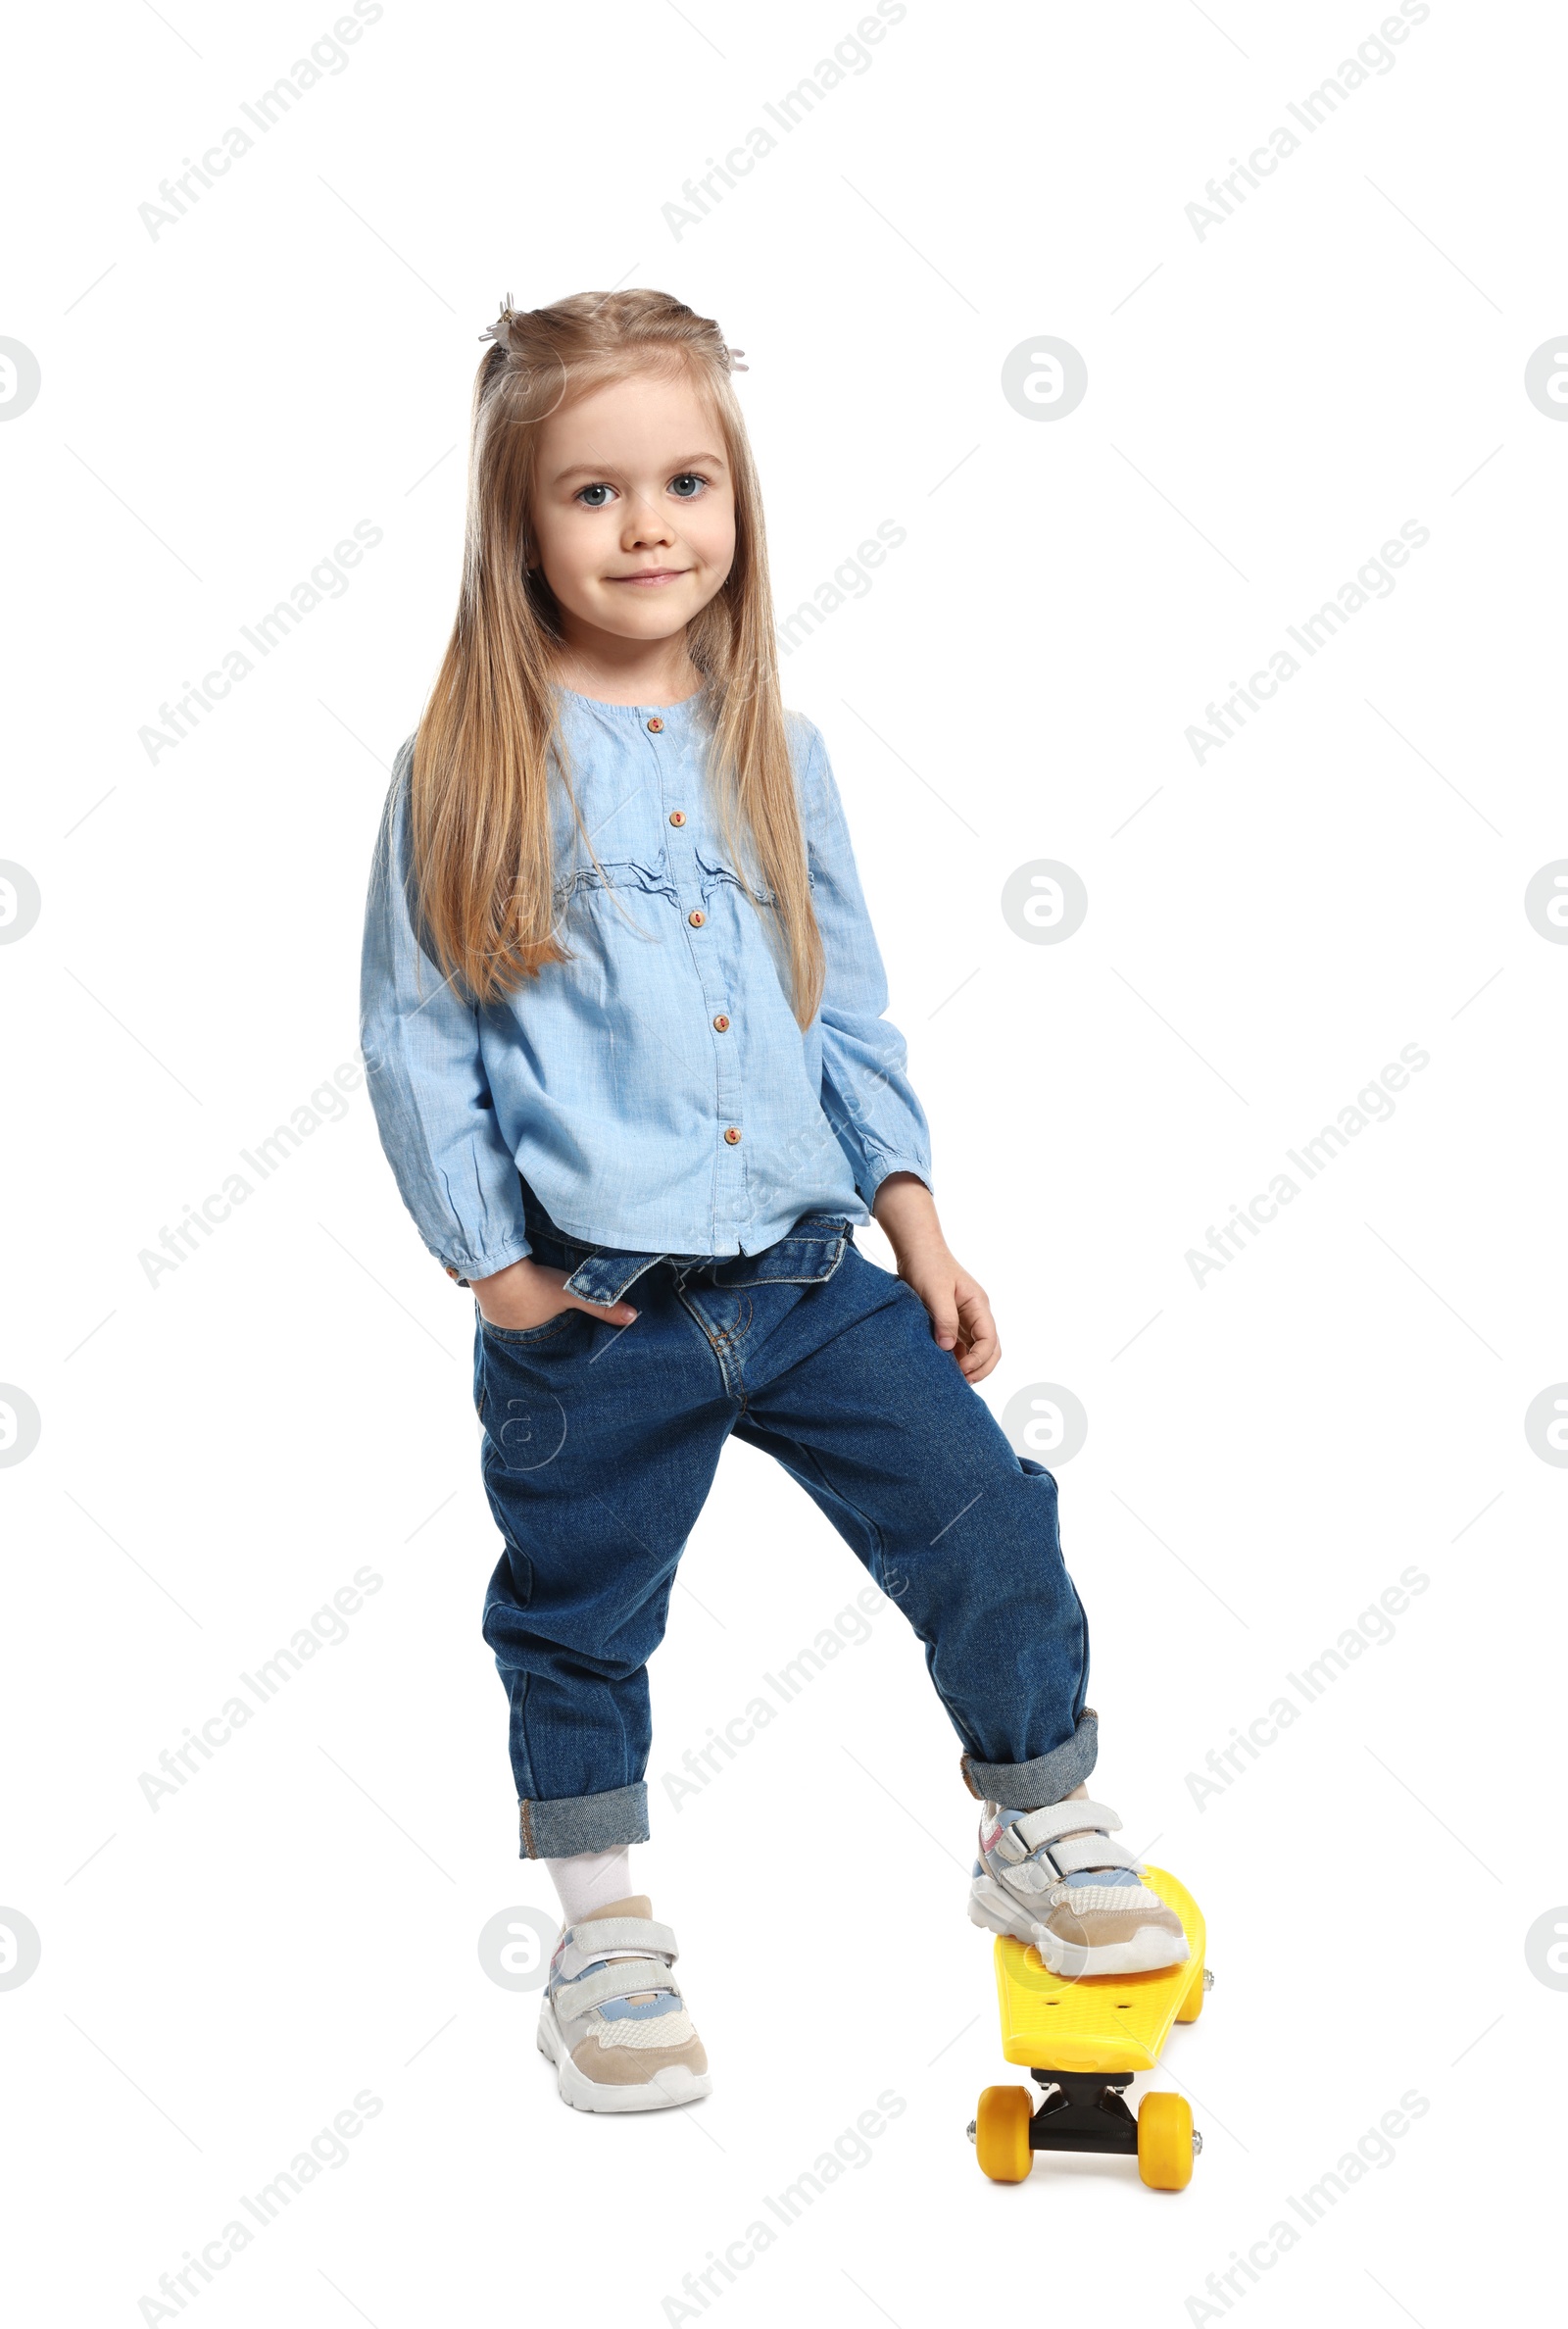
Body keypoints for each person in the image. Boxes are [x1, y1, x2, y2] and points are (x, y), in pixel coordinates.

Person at [360, 288, 1186, 2115]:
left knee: (987, 1517)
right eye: (592, 493)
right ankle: (600, 1930)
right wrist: (494, 1271)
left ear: (737, 501)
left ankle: (1036, 1817)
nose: (648, 527)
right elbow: (420, 1041)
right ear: (517, 527)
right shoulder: (465, 769)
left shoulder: (772, 748)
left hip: (816, 1276)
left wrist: (916, 1218)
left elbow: (845, 1003)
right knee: (579, 1614)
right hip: (602, 1308)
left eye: (685, 481)